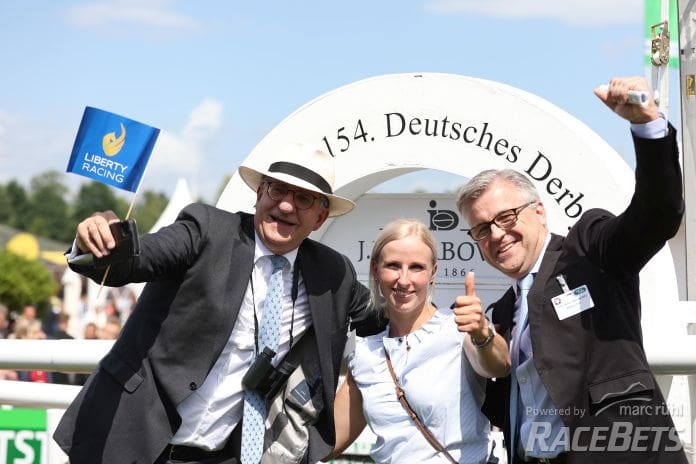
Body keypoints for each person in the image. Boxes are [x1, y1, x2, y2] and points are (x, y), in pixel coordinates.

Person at [53, 144, 382, 464]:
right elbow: (140, 258)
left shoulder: (332, 274)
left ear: (320, 218)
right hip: (124, 439)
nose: (285, 206)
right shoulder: (205, 229)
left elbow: (384, 321)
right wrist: (102, 241)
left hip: (223, 456)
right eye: (277, 190)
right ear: (259, 194)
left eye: (303, 198)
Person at [455, 77, 687, 463]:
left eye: (507, 216)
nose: (498, 234)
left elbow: (657, 216)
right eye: (482, 229)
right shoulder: (498, 315)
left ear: (540, 212)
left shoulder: (587, 249)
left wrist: (648, 127)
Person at [327, 219, 510, 463]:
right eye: (393, 265)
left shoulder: (459, 327)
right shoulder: (365, 353)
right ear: (375, 269)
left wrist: (481, 335)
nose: (404, 280)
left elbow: (498, 366)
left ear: (433, 272)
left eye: (416, 267)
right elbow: (330, 442)